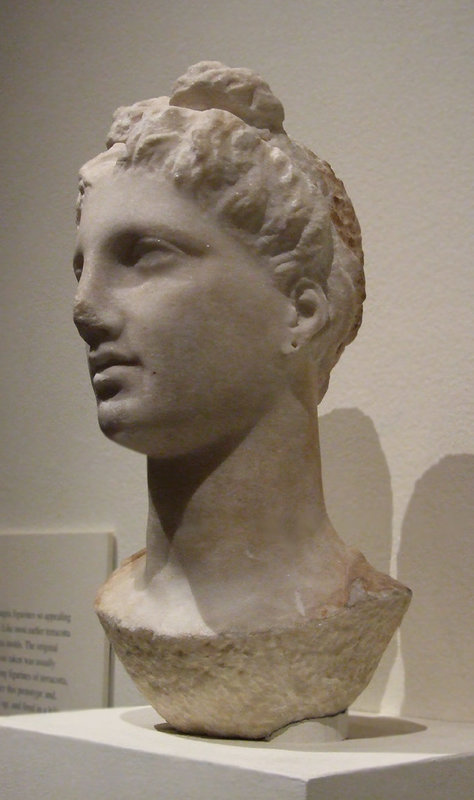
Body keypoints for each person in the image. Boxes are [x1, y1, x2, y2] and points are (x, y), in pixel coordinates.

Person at [73, 62, 410, 738]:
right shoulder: (123, 605)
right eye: (81, 266)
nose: (84, 307)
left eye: (142, 256)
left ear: (301, 308)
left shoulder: (343, 612)